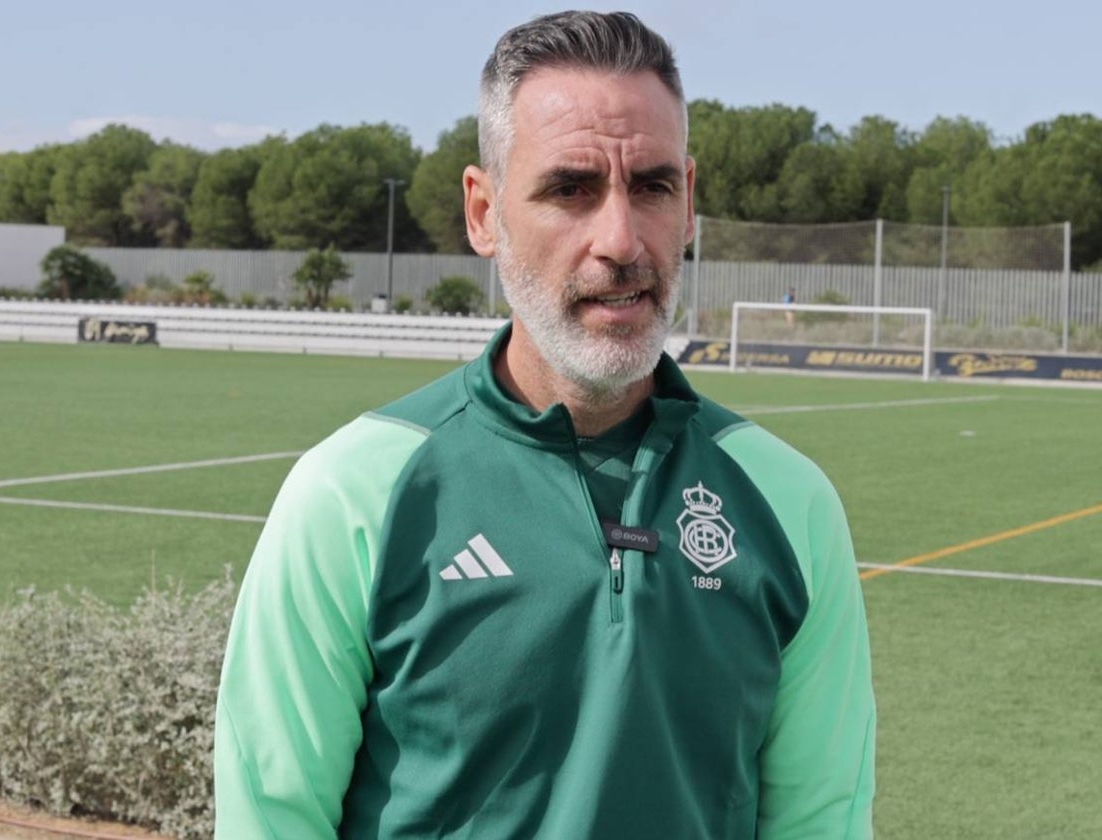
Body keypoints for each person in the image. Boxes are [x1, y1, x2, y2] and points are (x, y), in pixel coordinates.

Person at [214, 11, 875, 839]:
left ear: (691, 204)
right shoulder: (353, 493)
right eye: (570, 189)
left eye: (653, 187)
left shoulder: (789, 502)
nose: (621, 240)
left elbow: (822, 822)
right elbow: (270, 819)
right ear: (485, 212)